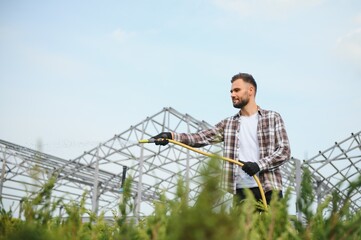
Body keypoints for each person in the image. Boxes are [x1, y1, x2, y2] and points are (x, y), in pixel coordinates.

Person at [151, 73, 291, 206]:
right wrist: (171, 136)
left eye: (236, 90)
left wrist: (258, 165)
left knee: (272, 230)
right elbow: (201, 137)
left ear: (250, 90)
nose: (232, 95)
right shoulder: (229, 124)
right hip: (241, 192)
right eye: (231, 91)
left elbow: (284, 151)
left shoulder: (272, 117)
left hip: (268, 188)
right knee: (241, 232)